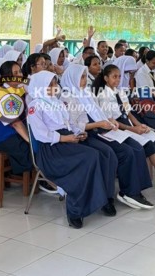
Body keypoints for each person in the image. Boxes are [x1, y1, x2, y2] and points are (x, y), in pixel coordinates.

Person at [28, 71, 118, 228]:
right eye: (51, 85)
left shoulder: (55, 102)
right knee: (88, 157)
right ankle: (75, 210)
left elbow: (69, 123)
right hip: (51, 148)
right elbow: (41, 134)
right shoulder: (35, 106)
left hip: (66, 140)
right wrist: (65, 138)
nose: (55, 87)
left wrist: (78, 133)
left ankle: (93, 201)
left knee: (96, 155)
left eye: (55, 84)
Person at [62, 64, 155, 209]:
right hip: (86, 134)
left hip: (100, 127)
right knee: (124, 151)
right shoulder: (68, 97)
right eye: (81, 77)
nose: (85, 80)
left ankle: (135, 190)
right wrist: (100, 124)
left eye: (86, 76)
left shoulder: (87, 93)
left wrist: (109, 121)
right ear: (72, 78)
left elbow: (99, 112)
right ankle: (125, 193)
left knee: (137, 147)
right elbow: (74, 126)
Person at [96, 64, 155, 194]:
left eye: (119, 77)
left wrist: (138, 125)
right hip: (117, 129)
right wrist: (132, 129)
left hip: (129, 125)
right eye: (114, 77)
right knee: (148, 144)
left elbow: (129, 113)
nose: (118, 80)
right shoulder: (103, 96)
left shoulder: (120, 92)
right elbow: (111, 122)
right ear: (106, 78)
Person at [0, 61, 32, 176]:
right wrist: (31, 141)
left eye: (20, 71)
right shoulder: (2, 96)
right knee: (31, 149)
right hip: (6, 136)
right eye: (15, 73)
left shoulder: (18, 89)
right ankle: (44, 175)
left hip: (20, 131)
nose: (20, 75)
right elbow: (16, 124)